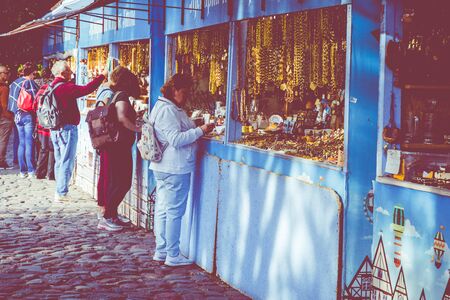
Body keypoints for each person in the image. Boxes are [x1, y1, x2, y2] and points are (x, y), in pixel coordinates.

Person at [149, 73, 214, 266]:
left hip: (164, 166)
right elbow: (176, 140)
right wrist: (200, 130)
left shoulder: (164, 107)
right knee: (174, 212)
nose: (186, 96)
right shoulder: (168, 110)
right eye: (184, 92)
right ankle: (173, 255)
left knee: (163, 210)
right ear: (175, 89)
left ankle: (162, 251)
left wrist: (194, 126)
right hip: (174, 166)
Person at [50, 60, 106, 202]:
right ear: (63, 73)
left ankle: (59, 189)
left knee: (59, 160)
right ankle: (61, 192)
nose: (72, 73)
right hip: (67, 128)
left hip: (55, 129)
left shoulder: (51, 86)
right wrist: (102, 76)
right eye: (69, 70)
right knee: (67, 160)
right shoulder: (65, 87)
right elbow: (87, 89)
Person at [97, 66, 141, 231]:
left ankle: (111, 215)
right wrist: (138, 129)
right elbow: (122, 117)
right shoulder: (122, 96)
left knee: (116, 181)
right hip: (119, 146)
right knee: (122, 182)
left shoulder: (114, 95)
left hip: (114, 145)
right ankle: (107, 216)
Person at [9, 63, 39, 178]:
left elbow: (11, 102)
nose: (34, 77)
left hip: (17, 115)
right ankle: (31, 170)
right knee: (29, 142)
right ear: (30, 74)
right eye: (34, 74)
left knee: (21, 143)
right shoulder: (28, 82)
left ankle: (22, 171)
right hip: (27, 114)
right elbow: (37, 97)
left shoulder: (14, 83)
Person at [95, 78, 114, 219]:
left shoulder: (101, 90)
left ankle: (102, 205)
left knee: (104, 173)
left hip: (101, 137)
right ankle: (105, 209)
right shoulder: (109, 94)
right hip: (106, 137)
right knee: (107, 173)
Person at [34, 79, 55, 180]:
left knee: (43, 148)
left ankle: (40, 173)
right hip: (51, 124)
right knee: (52, 149)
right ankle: (50, 174)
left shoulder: (40, 91)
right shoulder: (54, 91)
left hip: (41, 124)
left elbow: (34, 106)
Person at [0, 64, 13, 169]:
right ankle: (1, 161)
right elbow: (4, 105)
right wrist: (10, 117)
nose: (8, 74)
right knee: (3, 140)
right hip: (3, 117)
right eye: (6, 73)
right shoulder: (4, 88)